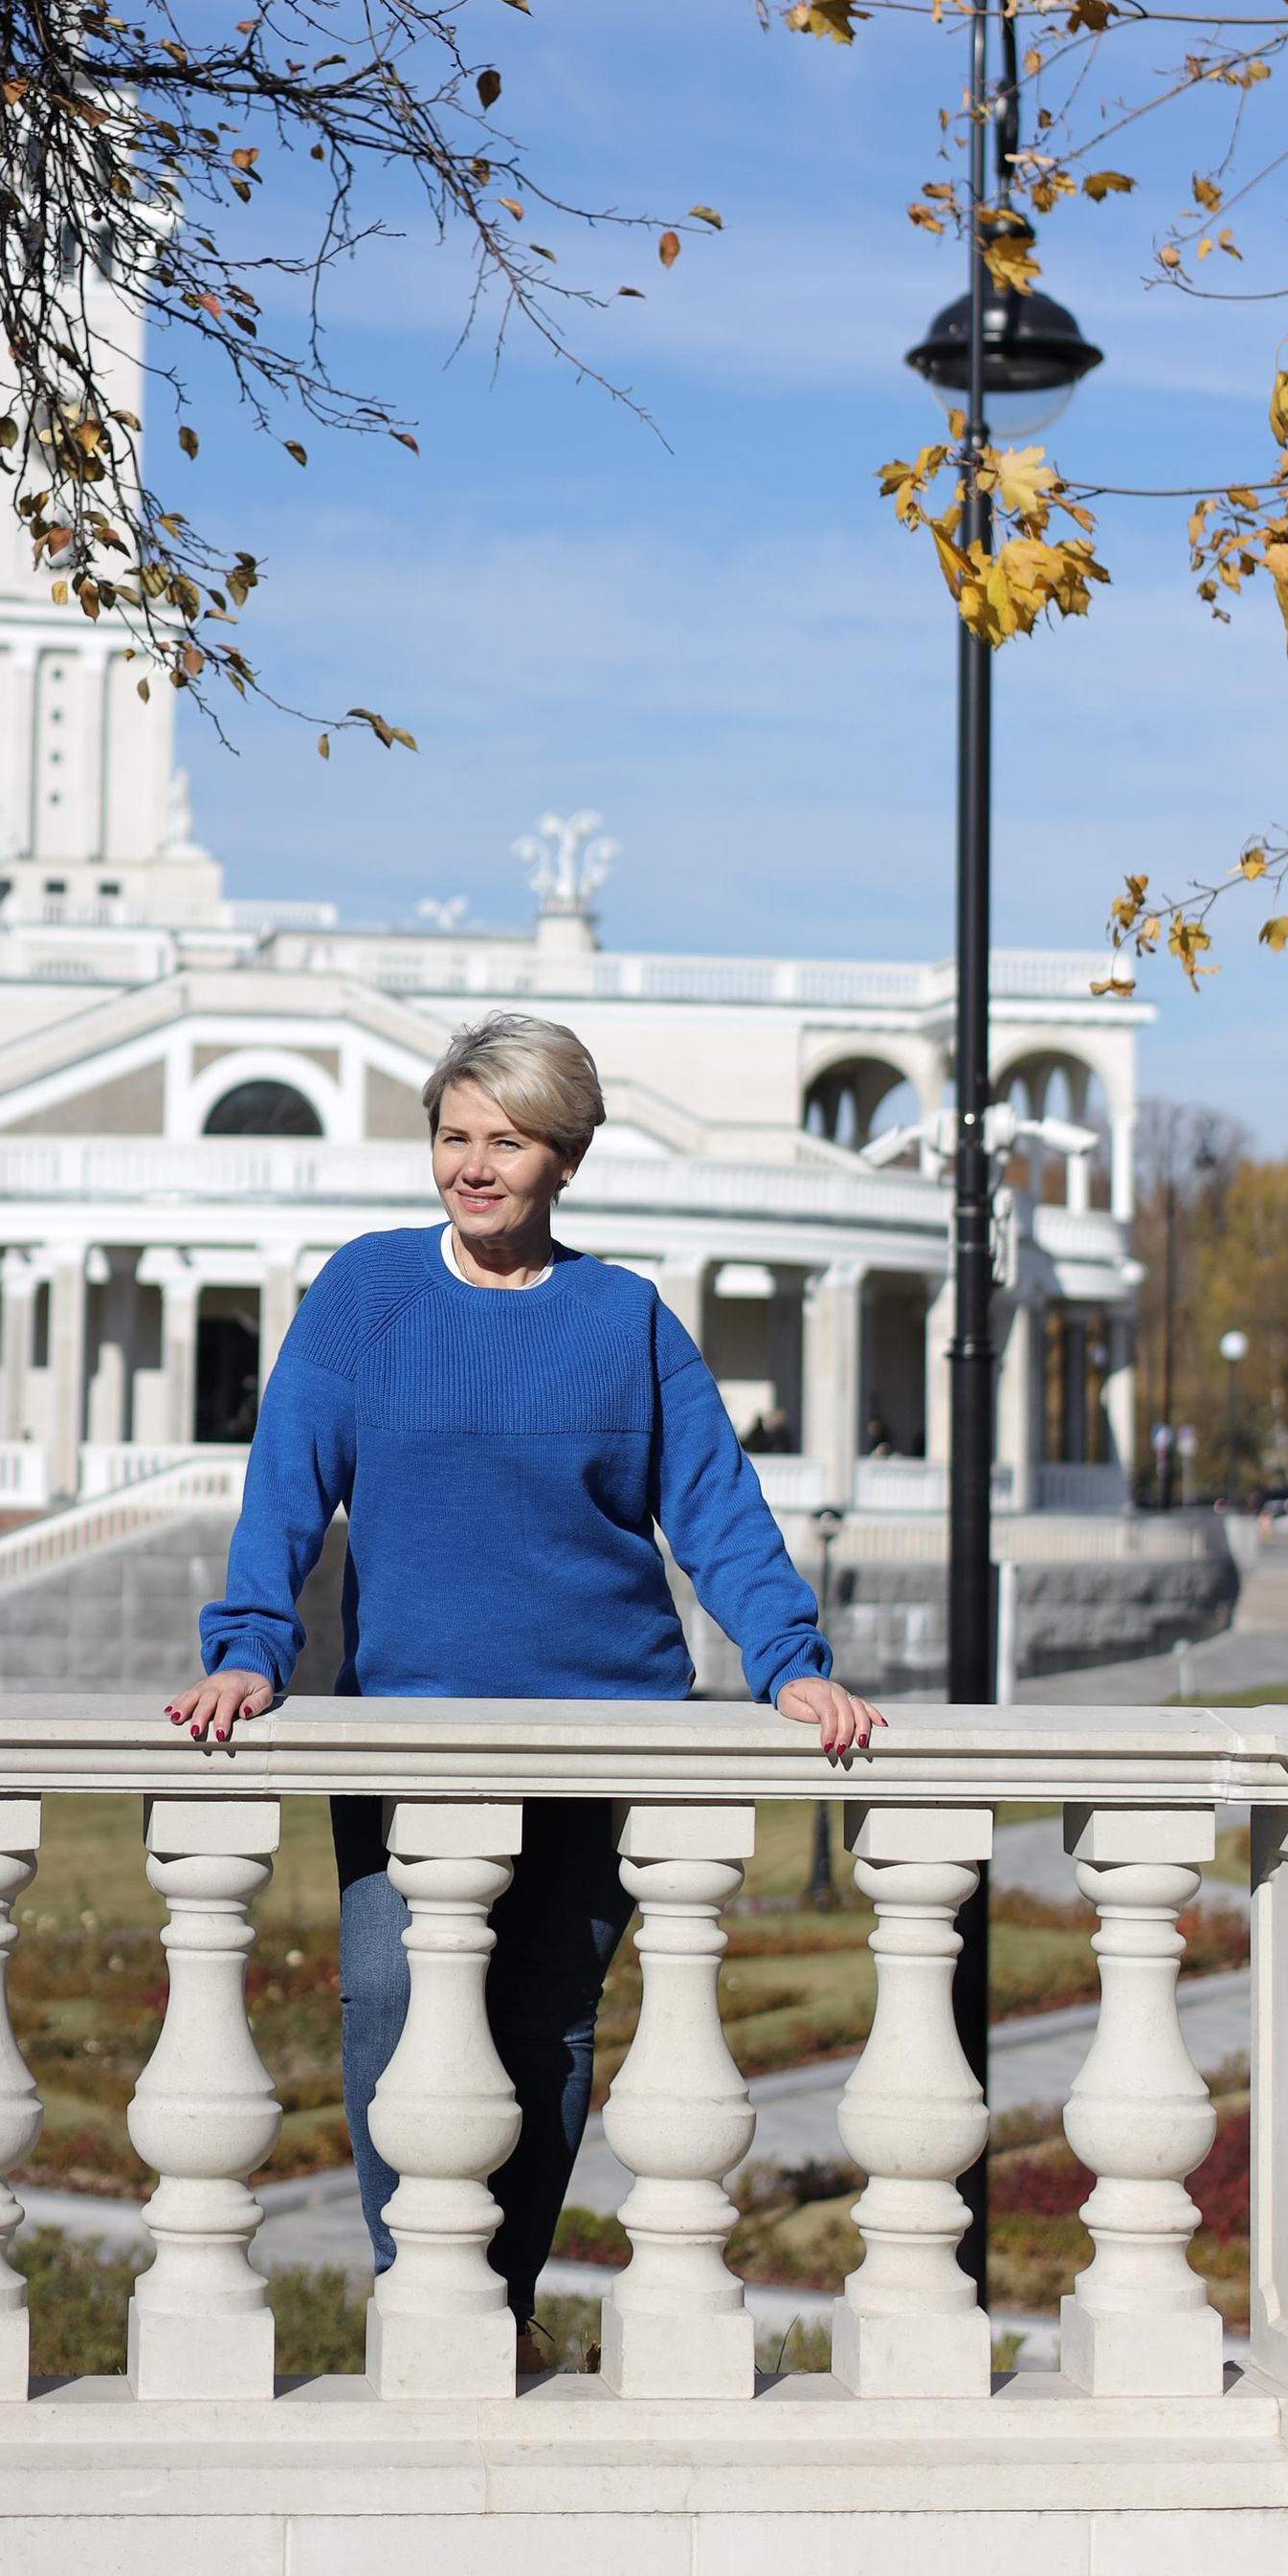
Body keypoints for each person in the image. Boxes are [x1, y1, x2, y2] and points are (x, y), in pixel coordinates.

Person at [166, 1008, 881, 2368]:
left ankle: (496, 2304)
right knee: (389, 2006)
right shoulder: (366, 1294)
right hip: (413, 1737)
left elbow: (717, 1512)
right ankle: (422, 2294)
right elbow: (285, 1487)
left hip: (596, 1728)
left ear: (566, 1157)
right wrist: (250, 1646)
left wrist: (791, 1667)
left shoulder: (625, 1323)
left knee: (549, 2026)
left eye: (507, 1141)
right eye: (454, 1136)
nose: (474, 1165)